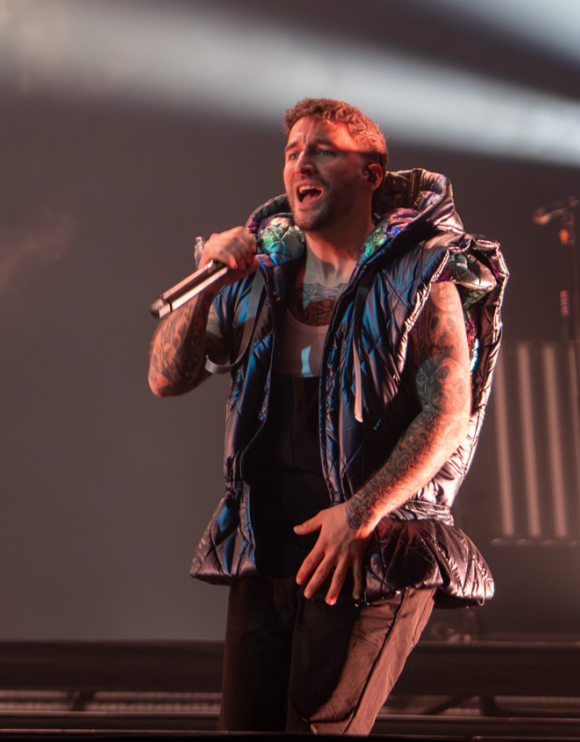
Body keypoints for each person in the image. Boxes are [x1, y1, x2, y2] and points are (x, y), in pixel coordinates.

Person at [148, 99, 506, 734]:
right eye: (292, 154)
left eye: (323, 151)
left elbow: (448, 412)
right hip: (268, 546)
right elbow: (166, 379)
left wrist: (360, 513)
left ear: (370, 175)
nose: (301, 164)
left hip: (374, 548)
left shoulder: (421, 272)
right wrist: (205, 281)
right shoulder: (260, 277)